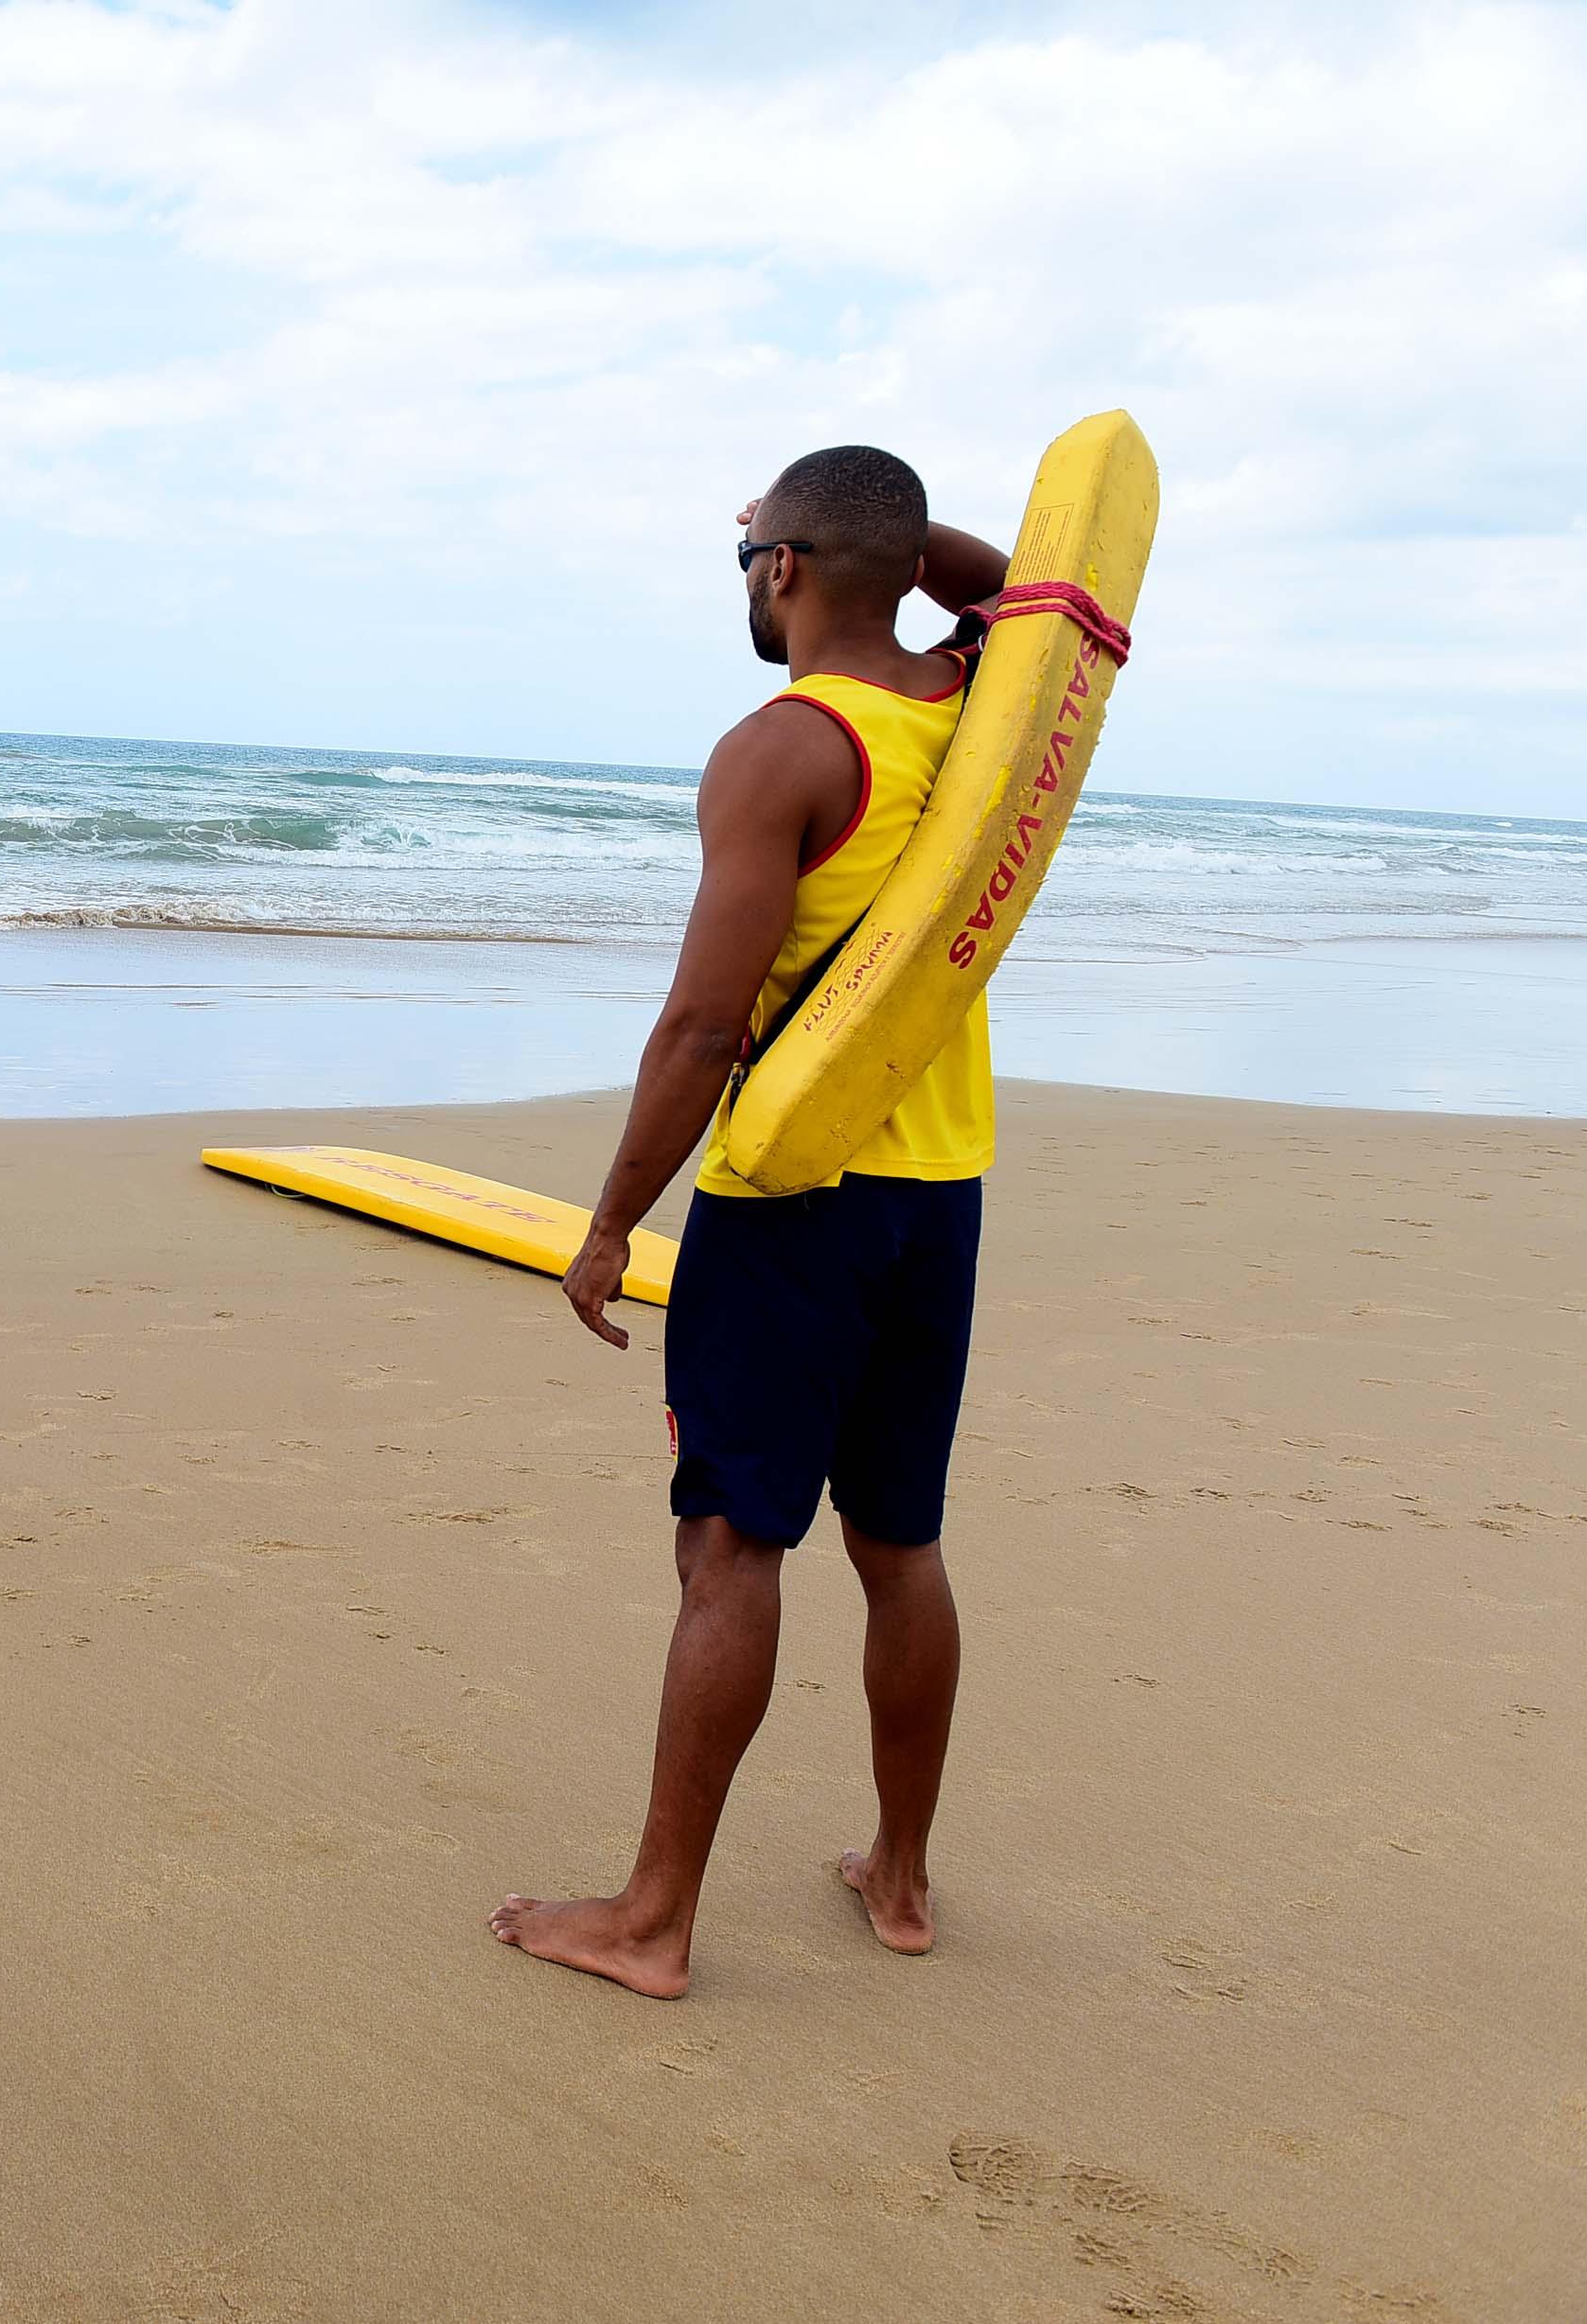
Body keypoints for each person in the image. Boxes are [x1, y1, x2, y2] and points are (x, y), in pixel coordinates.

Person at [490, 446, 1008, 2000]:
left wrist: (606, 1225)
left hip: (792, 1205)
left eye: (751, 559)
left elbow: (703, 1023)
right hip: (941, 1190)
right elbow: (1008, 589)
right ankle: (901, 1880)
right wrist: (887, 544)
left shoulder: (781, 748)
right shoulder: (972, 703)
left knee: (731, 1547)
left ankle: (653, 1921)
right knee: (900, 1543)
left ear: (783, 572)